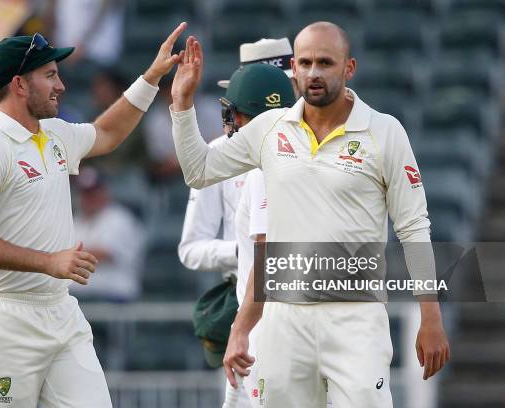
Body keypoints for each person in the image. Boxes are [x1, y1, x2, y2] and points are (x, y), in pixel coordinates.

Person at [169, 22, 450, 407]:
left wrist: (430, 317)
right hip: (283, 319)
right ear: (294, 70)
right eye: (305, 62)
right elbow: (199, 170)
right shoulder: (270, 128)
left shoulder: (385, 132)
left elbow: (414, 226)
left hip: (356, 317)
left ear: (348, 68)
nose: (314, 72)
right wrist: (183, 104)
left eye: (325, 62)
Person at [0, 23, 187, 407]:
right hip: (3, 319)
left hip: (60, 311)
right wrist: (49, 261)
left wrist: (152, 76)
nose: (60, 85)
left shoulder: (53, 133)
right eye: (49, 75)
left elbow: (107, 133)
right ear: (19, 85)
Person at [178, 63, 295, 407]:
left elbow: (267, 256)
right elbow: (192, 249)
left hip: (263, 324)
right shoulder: (311, 154)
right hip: (282, 314)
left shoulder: (266, 165)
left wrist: (241, 330)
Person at [70, 166, 145, 302]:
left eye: (94, 192)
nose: (90, 198)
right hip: (80, 298)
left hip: (115, 298)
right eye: (85, 193)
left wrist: (67, 254)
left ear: (104, 191)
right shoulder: (75, 221)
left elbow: (104, 254)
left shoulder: (120, 218)